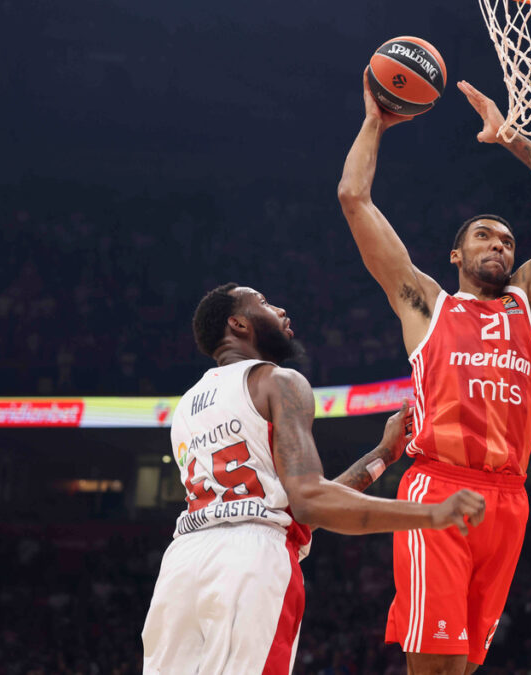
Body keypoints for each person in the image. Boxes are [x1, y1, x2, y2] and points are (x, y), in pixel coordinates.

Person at [337, 74, 531, 674]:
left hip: (510, 498)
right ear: (456, 255)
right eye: (483, 237)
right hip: (440, 484)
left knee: (465, 666)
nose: (500, 246)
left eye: (508, 241)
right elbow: (355, 200)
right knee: (434, 664)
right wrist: (375, 122)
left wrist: (509, 136)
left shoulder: (529, 304)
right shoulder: (427, 304)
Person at [141, 283, 486, 674]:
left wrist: (383, 455)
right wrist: (432, 515)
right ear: (238, 324)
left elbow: (297, 507)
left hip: (182, 564)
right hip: (250, 561)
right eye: (265, 303)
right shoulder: (279, 381)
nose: (281, 309)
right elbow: (308, 502)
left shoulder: (186, 405)